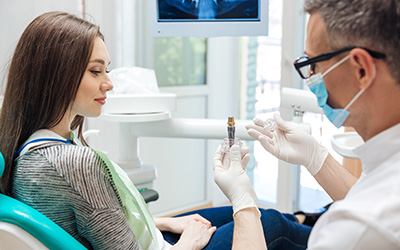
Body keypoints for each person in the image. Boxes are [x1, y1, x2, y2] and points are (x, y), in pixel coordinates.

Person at [0, 11, 311, 250]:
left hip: (147, 237)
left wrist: (165, 221)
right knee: (269, 222)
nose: (108, 82)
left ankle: (308, 218)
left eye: (106, 69)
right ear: (55, 74)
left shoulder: (27, 147)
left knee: (239, 212)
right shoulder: (71, 163)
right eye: (96, 71)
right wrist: (188, 240)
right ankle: (338, 231)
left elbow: (94, 221)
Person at [213, 0, 400, 249]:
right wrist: (315, 157)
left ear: (361, 70)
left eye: (314, 64)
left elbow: (369, 213)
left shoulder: (357, 228)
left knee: (272, 223)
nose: (311, 78)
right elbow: (370, 194)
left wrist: (243, 202)